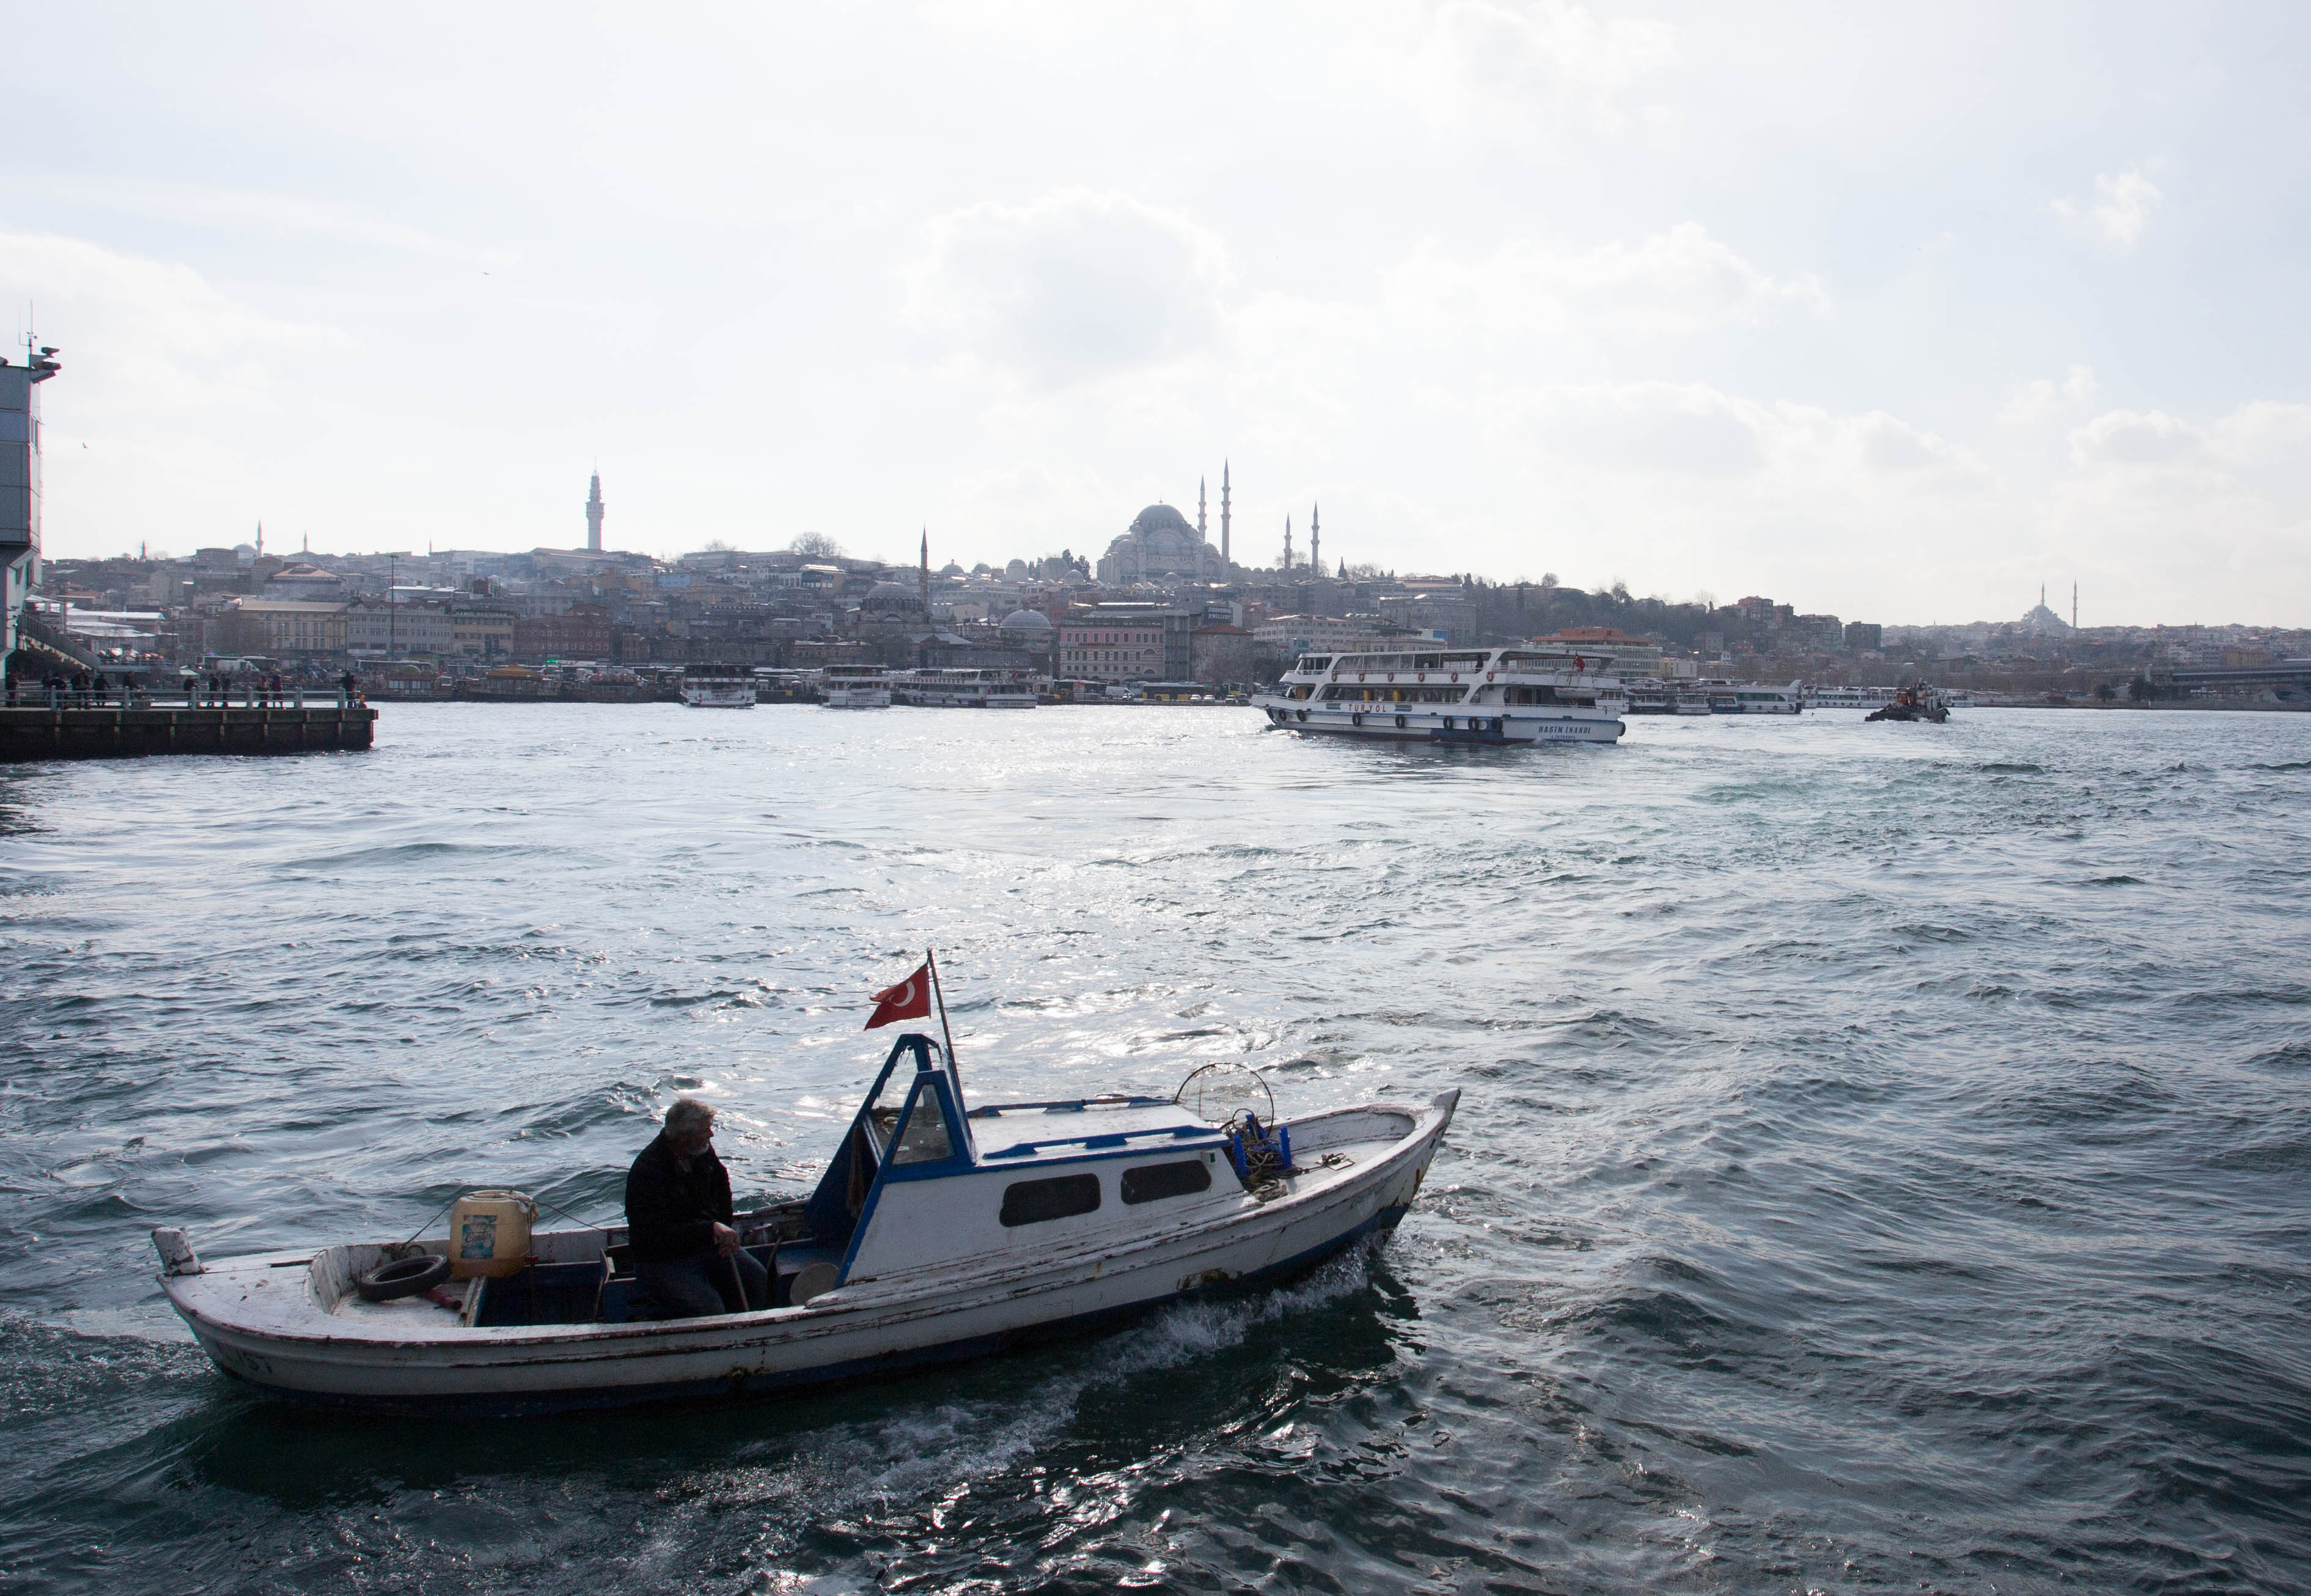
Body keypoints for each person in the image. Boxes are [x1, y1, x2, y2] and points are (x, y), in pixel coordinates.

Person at [624, 1097, 767, 1317]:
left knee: (756, 1277)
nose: (711, 1135)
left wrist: (723, 1229)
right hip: (661, 1261)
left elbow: (721, 1185)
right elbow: (655, 1235)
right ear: (683, 1137)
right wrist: (710, 1229)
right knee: (710, 1309)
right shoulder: (648, 1170)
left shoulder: (701, 1151)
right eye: (705, 1130)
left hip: (705, 1246)